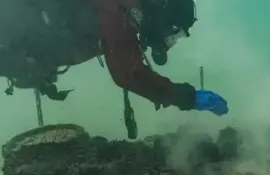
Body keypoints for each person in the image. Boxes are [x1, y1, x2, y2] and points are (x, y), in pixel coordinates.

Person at [0, 0, 228, 117]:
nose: (168, 41)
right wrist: (188, 97)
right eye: (174, 33)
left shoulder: (129, 14)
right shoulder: (123, 6)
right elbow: (129, 73)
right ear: (164, 11)